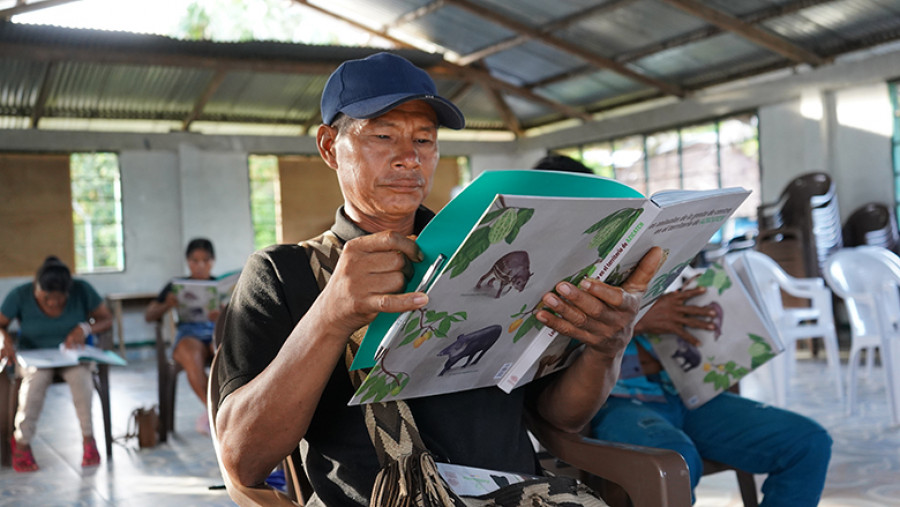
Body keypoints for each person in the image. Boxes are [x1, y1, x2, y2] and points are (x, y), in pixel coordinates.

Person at [214, 51, 664, 506]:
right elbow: (245, 462)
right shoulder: (281, 273)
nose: (409, 158)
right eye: (383, 135)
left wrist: (608, 346)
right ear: (330, 146)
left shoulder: (493, 252)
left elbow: (560, 418)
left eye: (424, 140)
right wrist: (330, 316)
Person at [533, 153, 832, 507]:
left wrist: (699, 319)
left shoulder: (628, 259)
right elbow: (555, 376)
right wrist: (641, 322)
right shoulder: (543, 285)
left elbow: (668, 339)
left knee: (808, 442)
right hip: (615, 407)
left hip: (680, 393)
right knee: (677, 459)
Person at [0, 256, 113, 472]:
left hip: (71, 356)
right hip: (35, 359)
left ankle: (89, 439)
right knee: (35, 381)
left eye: (59, 299)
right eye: (46, 298)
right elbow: (1, 324)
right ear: (36, 288)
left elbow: (107, 319)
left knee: (81, 378)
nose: (52, 303)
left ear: (68, 292)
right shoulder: (20, 295)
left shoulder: (82, 290)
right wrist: (4, 339)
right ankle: (22, 442)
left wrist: (85, 328)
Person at [145, 237, 220, 434]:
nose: (200, 265)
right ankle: (217, 414)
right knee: (191, 354)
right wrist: (166, 305)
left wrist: (224, 312)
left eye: (205, 260)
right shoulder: (176, 285)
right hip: (189, 334)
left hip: (216, 332)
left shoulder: (220, 286)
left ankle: (227, 409)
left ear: (213, 261)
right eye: (195, 260)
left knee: (225, 350)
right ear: (188, 261)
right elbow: (149, 315)